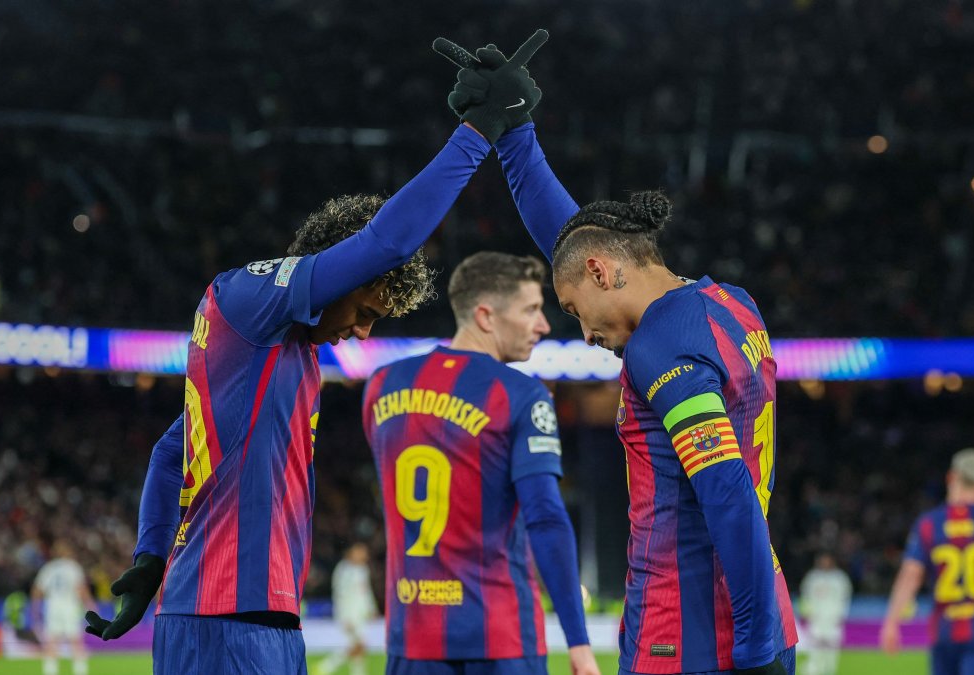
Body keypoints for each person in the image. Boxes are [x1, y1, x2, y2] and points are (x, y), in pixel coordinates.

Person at [85, 31, 550, 675]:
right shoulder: (249, 296)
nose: (361, 333)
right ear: (340, 272)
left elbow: (173, 451)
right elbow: (387, 242)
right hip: (225, 622)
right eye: (365, 312)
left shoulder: (284, 354)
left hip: (259, 619)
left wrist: (149, 559)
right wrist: (479, 133)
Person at [432, 38, 798, 675]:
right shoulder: (731, 304)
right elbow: (574, 241)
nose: (583, 334)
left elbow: (727, 492)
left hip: (688, 635)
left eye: (573, 308)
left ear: (602, 273)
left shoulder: (661, 349)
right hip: (760, 603)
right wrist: (516, 134)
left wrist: (754, 648)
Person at [363, 252, 599, 675]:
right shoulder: (521, 395)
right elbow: (545, 518)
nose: (544, 325)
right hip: (500, 638)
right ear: (486, 316)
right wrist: (579, 644)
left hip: (412, 639)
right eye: (530, 310)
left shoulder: (382, 387)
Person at [880, 448, 974, 675]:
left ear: (950, 477)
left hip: (944, 627)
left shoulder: (929, 523)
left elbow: (910, 576)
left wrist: (891, 622)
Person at [313, 543, 378, 675]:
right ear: (352, 552)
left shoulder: (363, 569)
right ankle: (326, 667)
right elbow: (339, 594)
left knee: (357, 646)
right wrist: (345, 616)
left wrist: (372, 608)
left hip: (361, 614)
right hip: (349, 614)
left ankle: (357, 672)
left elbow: (366, 592)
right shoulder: (343, 569)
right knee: (359, 645)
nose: (364, 555)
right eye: (360, 552)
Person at [33, 541, 93, 675]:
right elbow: (81, 589)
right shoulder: (73, 567)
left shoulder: (49, 568)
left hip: (53, 606)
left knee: (52, 640)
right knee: (75, 639)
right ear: (67, 552)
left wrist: (35, 607)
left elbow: (37, 590)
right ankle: (80, 671)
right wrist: (90, 605)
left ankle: (50, 671)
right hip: (69, 606)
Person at [799, 553, 851, 675]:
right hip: (816, 617)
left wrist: (841, 614)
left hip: (833, 617)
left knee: (832, 646)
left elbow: (845, 597)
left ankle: (830, 670)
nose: (825, 563)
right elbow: (805, 595)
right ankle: (814, 668)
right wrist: (808, 612)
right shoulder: (812, 577)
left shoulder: (840, 578)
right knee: (815, 645)